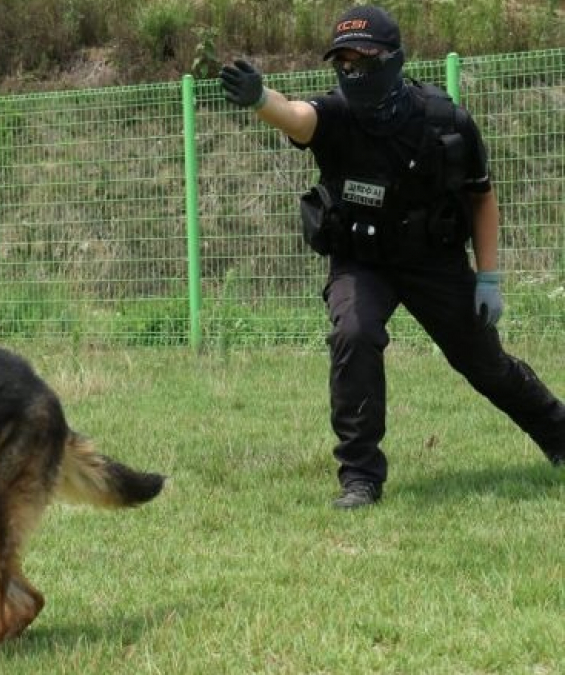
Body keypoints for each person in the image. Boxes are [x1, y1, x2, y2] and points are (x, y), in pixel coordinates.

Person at [218, 4, 565, 508]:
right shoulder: (334, 116)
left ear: (393, 60)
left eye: (363, 59)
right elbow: (295, 115)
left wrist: (489, 276)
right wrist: (259, 98)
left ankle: (559, 436)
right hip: (362, 260)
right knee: (353, 333)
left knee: (485, 364)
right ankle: (360, 478)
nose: (351, 71)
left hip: (433, 261)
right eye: (342, 62)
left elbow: (482, 195)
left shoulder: (447, 121)